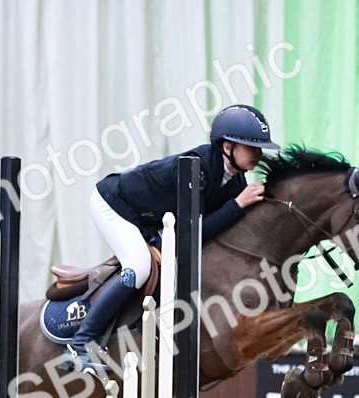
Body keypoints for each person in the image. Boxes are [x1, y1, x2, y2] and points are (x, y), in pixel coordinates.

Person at [65, 104, 280, 372]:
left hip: (147, 219)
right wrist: (237, 205)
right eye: (252, 147)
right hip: (113, 204)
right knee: (139, 267)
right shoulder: (197, 168)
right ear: (227, 147)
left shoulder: (236, 182)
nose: (258, 155)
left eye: (259, 149)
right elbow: (193, 233)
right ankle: (81, 341)